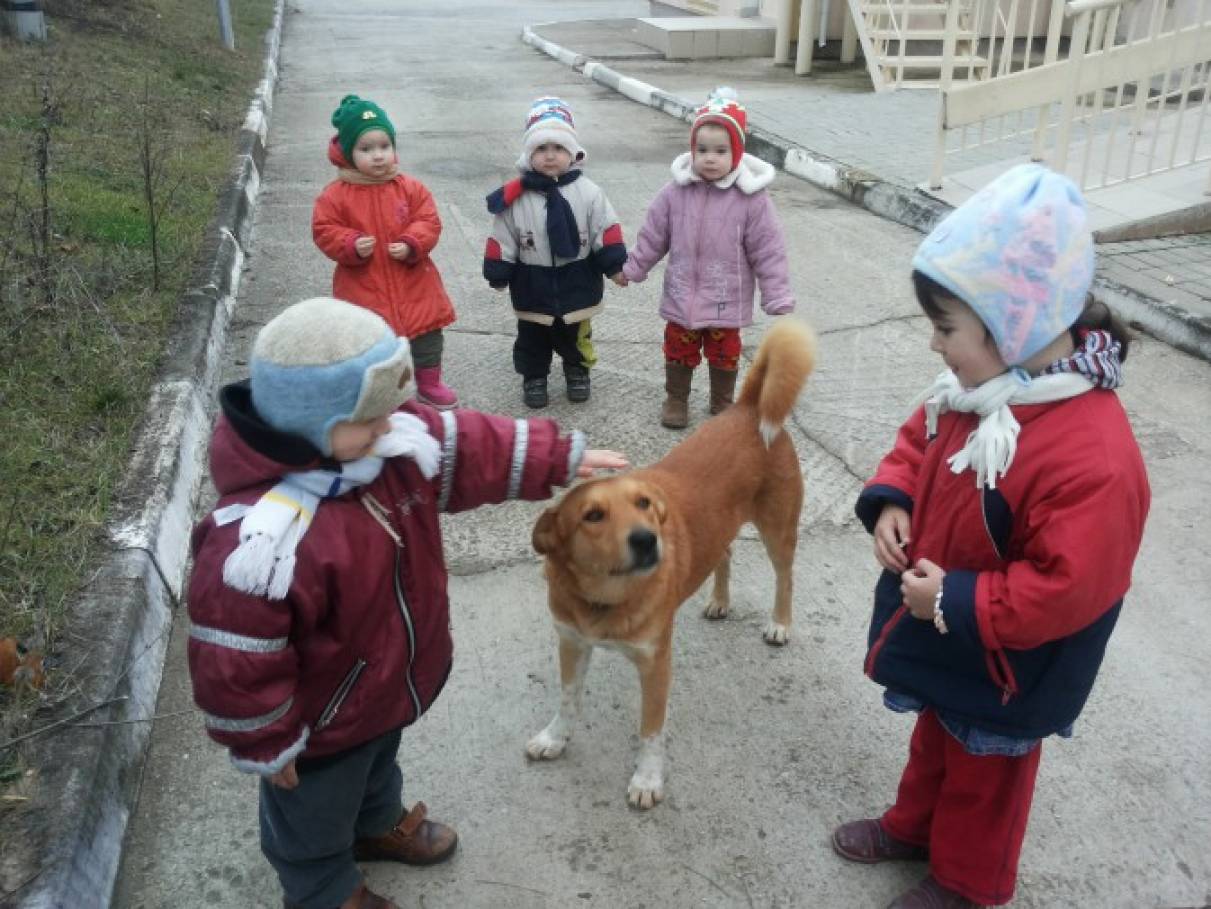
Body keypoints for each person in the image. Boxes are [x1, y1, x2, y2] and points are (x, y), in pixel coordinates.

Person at [186, 297, 625, 909]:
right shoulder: (261, 540)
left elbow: (466, 444)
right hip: (317, 725)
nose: (393, 428)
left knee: (376, 763)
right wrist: (265, 740)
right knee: (312, 812)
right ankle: (322, 886)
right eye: (373, 419)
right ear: (311, 425)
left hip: (383, 688)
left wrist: (557, 456)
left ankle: (374, 822)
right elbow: (234, 655)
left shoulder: (380, 453)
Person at [833, 164, 1150, 908]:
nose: (933, 344)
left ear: (1013, 324)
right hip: (947, 629)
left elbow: (1071, 587)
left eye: (945, 327)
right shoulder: (975, 394)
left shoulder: (1090, 454)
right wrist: (891, 501)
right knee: (936, 737)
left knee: (986, 768)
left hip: (1010, 657)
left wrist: (956, 598)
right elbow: (918, 440)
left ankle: (966, 881)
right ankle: (914, 827)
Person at [618, 87, 794, 429]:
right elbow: (653, 235)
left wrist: (777, 294)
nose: (709, 158)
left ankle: (722, 402)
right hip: (682, 295)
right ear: (691, 149)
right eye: (702, 150)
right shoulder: (674, 193)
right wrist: (633, 268)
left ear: (737, 153)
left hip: (724, 301)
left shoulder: (751, 201)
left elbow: (769, 250)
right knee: (678, 349)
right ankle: (676, 397)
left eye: (720, 150)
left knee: (725, 353)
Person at [313, 94, 460, 410]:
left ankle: (429, 383)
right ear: (349, 154)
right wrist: (349, 243)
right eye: (366, 149)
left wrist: (412, 242)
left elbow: (428, 219)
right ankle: (374, 390)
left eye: (384, 146)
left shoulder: (409, 187)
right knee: (370, 342)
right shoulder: (336, 195)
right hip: (364, 285)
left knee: (428, 335)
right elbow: (324, 230)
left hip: (414, 279)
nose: (378, 156)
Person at [482, 97, 627, 409]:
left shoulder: (589, 192)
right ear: (529, 153)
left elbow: (607, 228)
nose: (550, 156)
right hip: (532, 283)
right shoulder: (516, 199)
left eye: (558, 148)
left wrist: (614, 266)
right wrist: (499, 272)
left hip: (578, 279)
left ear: (572, 152)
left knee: (577, 336)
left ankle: (578, 371)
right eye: (541, 149)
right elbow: (502, 237)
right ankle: (534, 377)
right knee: (532, 339)